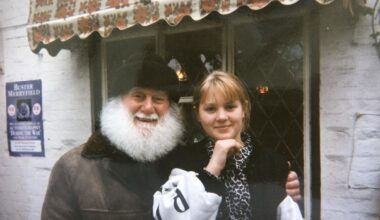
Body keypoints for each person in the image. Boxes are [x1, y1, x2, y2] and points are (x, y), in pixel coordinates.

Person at [41, 54, 301, 220]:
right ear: (119, 103)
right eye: (138, 96)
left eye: (159, 99)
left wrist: (277, 181)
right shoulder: (73, 168)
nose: (148, 108)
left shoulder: (181, 159)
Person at [154, 71, 302, 220]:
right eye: (211, 109)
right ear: (198, 113)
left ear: (244, 109)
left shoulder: (273, 163)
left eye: (230, 107)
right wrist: (212, 170)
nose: (222, 117)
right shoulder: (182, 162)